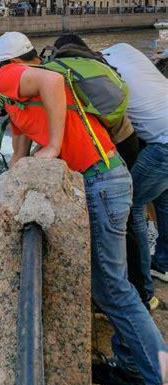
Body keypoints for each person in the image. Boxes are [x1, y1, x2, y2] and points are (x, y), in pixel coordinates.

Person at [0, 31, 168, 385]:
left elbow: (50, 88)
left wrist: (52, 145)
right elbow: (17, 157)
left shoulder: (14, 79)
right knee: (113, 289)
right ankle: (134, 362)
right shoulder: (20, 100)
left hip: (101, 180)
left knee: (116, 292)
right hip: (107, 177)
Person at [52, 34, 150, 309]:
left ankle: (133, 294)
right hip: (127, 139)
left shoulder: (67, 72)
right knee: (128, 220)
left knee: (124, 223)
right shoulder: (95, 65)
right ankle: (142, 290)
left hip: (110, 149)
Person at [101, 42, 168, 297]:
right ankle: (163, 264)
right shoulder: (124, 48)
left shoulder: (101, 73)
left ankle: (143, 290)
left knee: (132, 205)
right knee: (163, 200)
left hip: (162, 142)